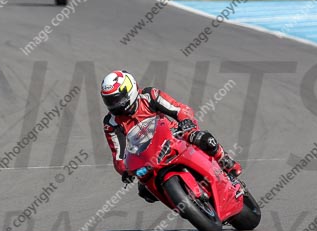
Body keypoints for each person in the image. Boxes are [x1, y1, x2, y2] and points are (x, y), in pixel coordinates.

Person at [101, 70, 242, 203]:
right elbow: (118, 156)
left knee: (202, 139)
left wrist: (186, 121)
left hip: (174, 136)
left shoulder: (149, 96)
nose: (114, 105)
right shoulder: (111, 123)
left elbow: (179, 108)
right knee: (145, 192)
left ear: (129, 90)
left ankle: (225, 162)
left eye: (116, 99)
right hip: (148, 156)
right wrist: (126, 171)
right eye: (109, 101)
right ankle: (185, 204)